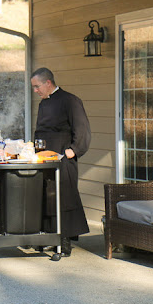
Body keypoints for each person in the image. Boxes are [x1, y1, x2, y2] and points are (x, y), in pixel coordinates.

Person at [31, 67, 91, 256]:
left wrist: (74, 150)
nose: (35, 91)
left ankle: (64, 240)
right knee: (46, 196)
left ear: (48, 83)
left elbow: (82, 128)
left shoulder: (70, 101)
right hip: (44, 157)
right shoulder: (43, 104)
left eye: (37, 87)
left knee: (64, 196)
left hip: (63, 157)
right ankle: (49, 236)